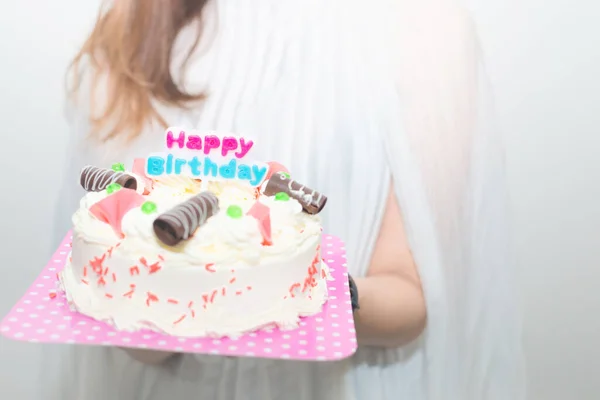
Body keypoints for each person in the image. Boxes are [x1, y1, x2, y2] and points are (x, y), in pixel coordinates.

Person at [40, 0, 526, 399]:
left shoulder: (422, 27)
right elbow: (115, 283)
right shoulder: (137, 22)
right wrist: (160, 296)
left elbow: (411, 296)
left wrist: (289, 285)